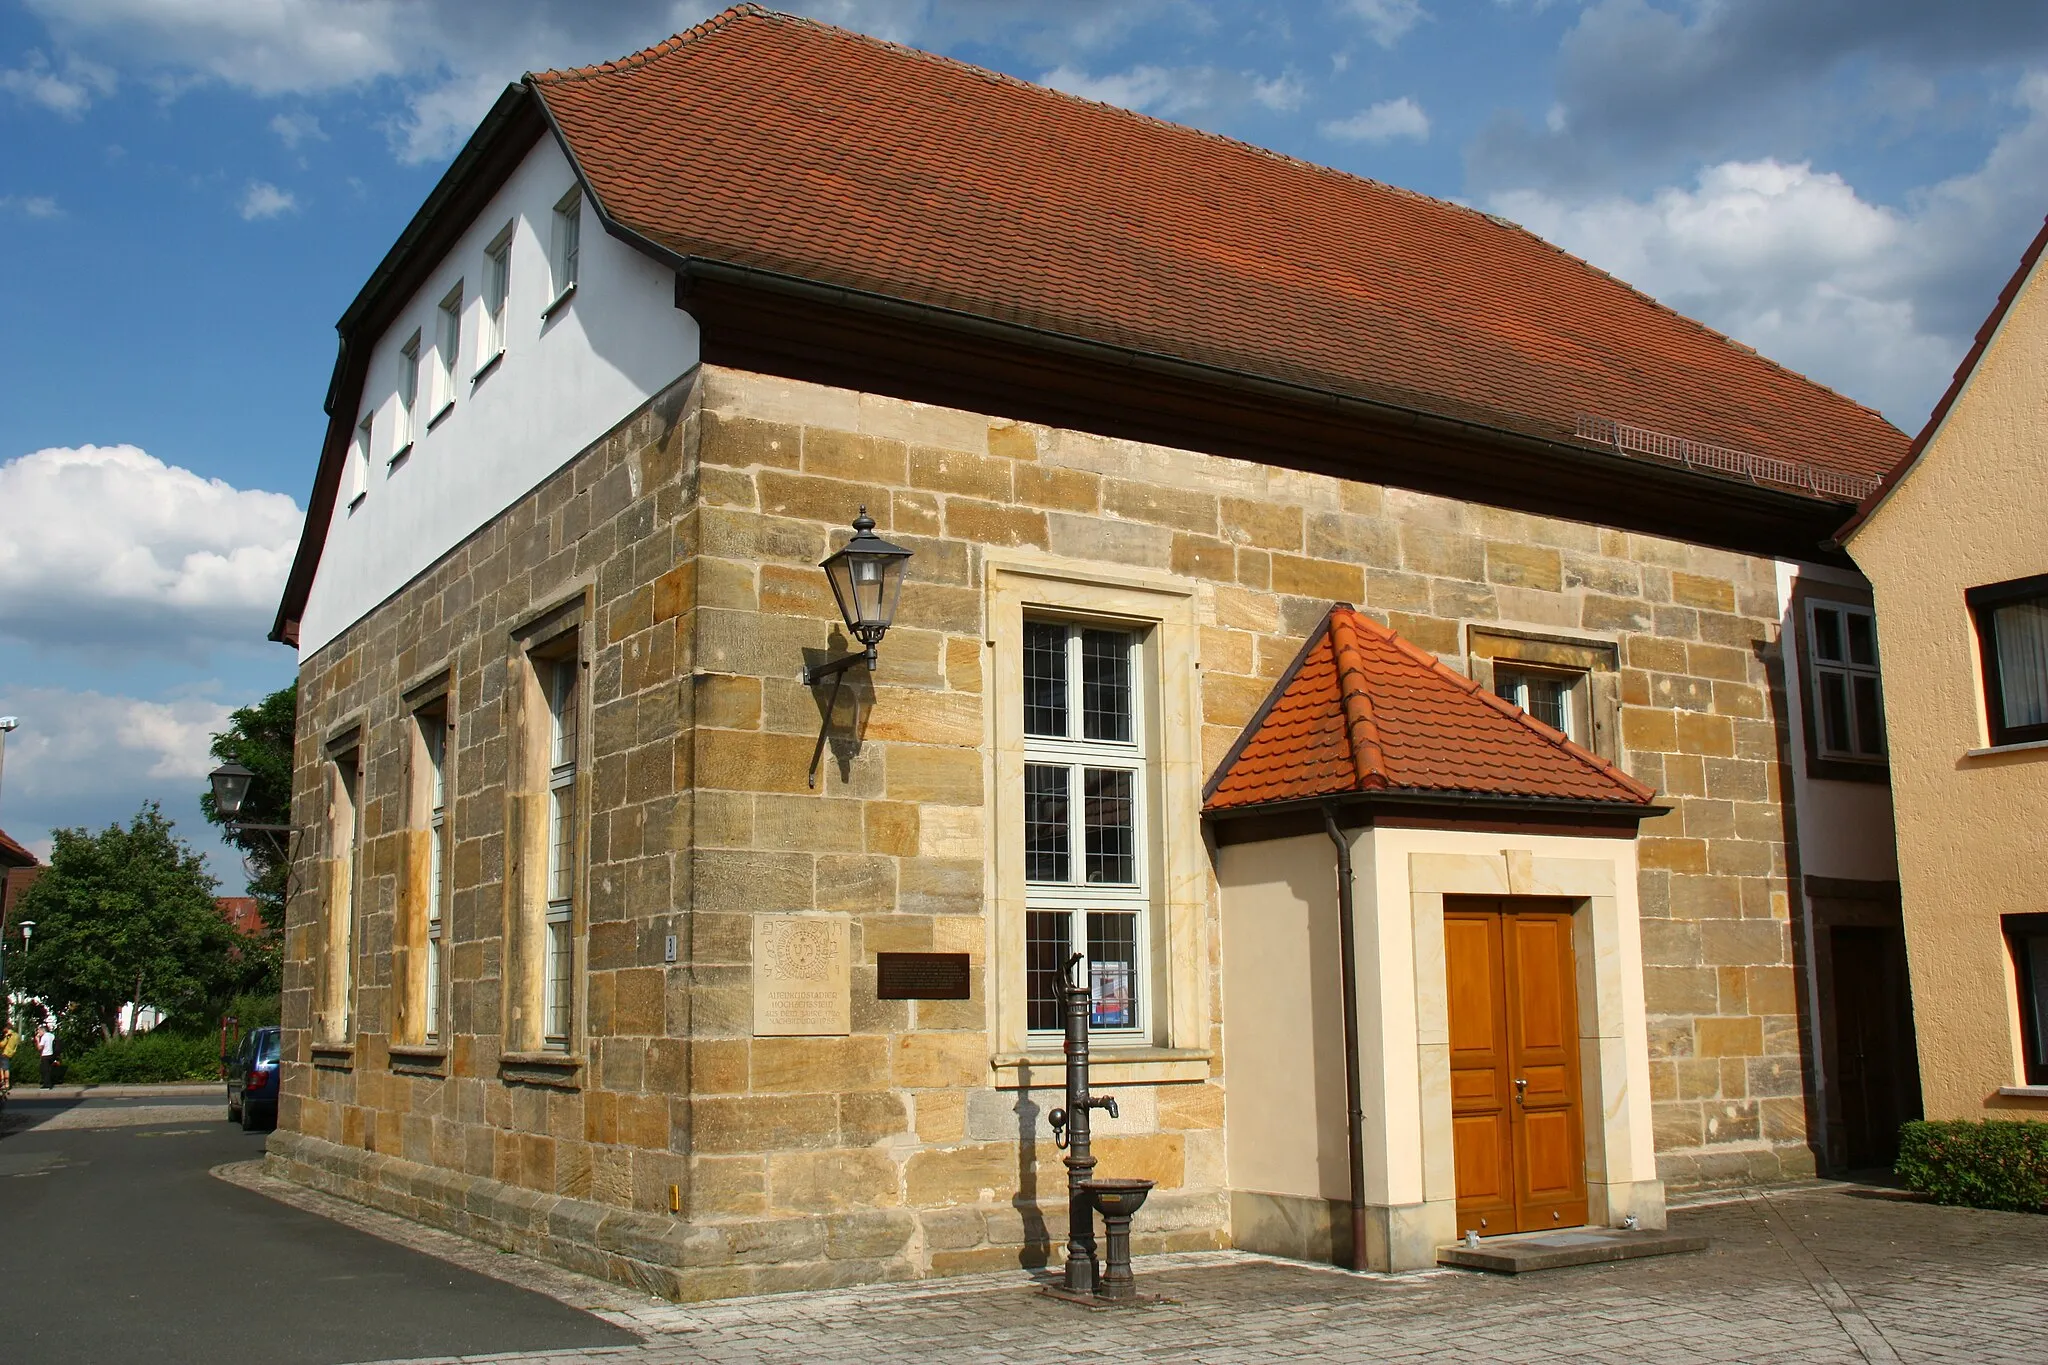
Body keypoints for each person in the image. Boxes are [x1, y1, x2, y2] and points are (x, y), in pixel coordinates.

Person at [37, 1018, 57, 1089]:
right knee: (48, 1069)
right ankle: (48, 1083)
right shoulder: (51, 1035)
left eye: (39, 1031)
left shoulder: (44, 1037)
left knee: (45, 1070)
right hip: (51, 1054)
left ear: (43, 1031)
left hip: (45, 1055)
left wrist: (37, 1040)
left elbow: (40, 1048)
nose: (38, 1033)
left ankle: (47, 1084)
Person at [0, 1021, 17, 1095]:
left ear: (6, 1028)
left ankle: (4, 1083)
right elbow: (16, 1045)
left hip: (4, 1053)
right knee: (6, 1067)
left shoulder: (8, 1035)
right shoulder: (16, 1035)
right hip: (10, 1053)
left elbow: (2, 1045)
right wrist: (13, 1051)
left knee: (3, 1068)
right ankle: (6, 1083)